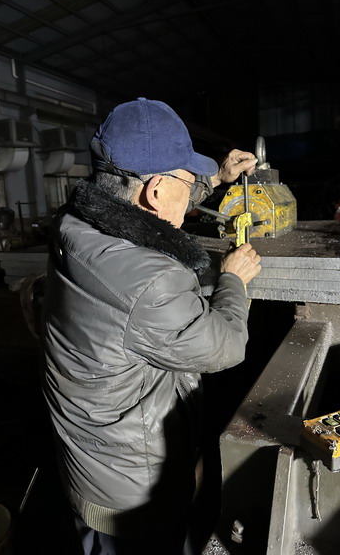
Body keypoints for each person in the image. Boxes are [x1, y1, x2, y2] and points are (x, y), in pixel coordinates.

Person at [41, 97, 261, 555]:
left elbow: (150, 201)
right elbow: (224, 346)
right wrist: (234, 281)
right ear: (156, 191)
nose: (192, 189)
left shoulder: (76, 221)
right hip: (132, 499)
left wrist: (214, 179)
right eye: (187, 180)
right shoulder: (150, 281)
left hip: (93, 464)